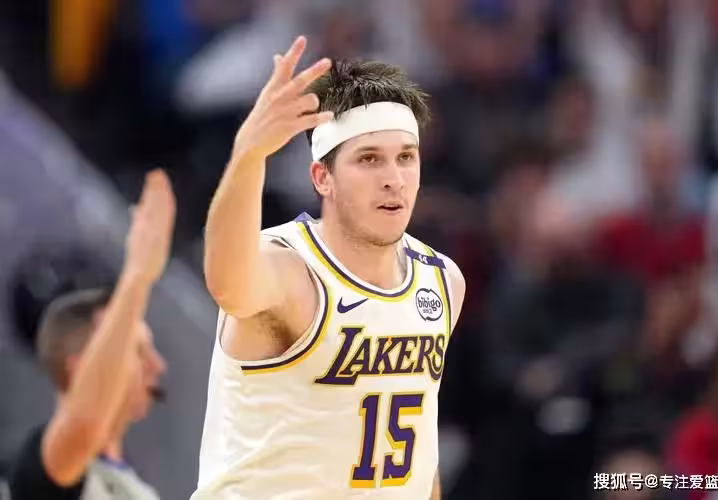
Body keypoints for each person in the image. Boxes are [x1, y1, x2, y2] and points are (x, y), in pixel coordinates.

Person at [193, 36, 466, 499]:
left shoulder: (442, 281)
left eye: (406, 157)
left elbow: (420, 453)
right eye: (369, 159)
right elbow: (227, 283)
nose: (394, 179)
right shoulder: (290, 269)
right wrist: (249, 156)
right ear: (323, 177)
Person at [8, 169, 176, 500]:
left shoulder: (135, 486)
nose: (157, 365)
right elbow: (84, 424)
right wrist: (137, 274)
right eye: (138, 351)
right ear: (80, 368)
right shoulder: (41, 466)